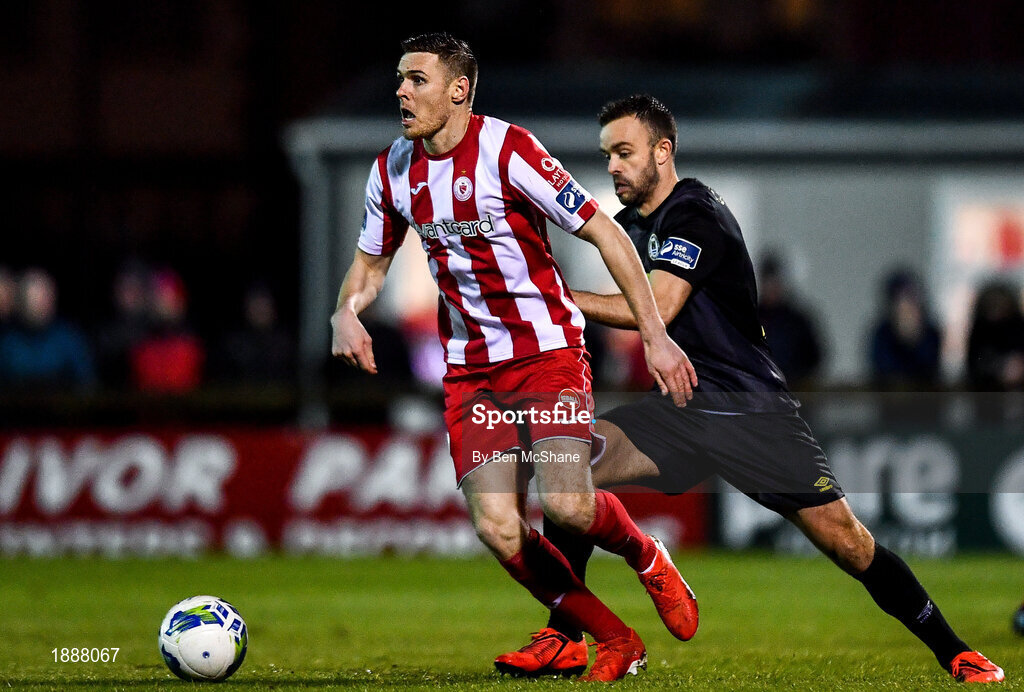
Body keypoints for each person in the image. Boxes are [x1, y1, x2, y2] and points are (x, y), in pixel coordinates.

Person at [495, 94, 1004, 684]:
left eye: (625, 152)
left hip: (749, 412)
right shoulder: (636, 224)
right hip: (681, 409)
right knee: (568, 467)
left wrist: (549, 297)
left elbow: (655, 309)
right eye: (608, 154)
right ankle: (566, 638)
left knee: (850, 545)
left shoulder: (695, 215)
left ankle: (955, 651)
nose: (612, 166)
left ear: (664, 151)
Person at [330, 34, 698, 681]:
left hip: (546, 352)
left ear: (458, 89)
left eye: (416, 79)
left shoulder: (509, 151)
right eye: (398, 79)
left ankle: (646, 557)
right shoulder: (392, 168)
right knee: (499, 528)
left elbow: (604, 230)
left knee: (568, 508)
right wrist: (346, 310)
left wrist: (655, 333)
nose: (400, 92)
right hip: (472, 373)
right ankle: (613, 638)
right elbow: (370, 260)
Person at [0, 268, 96, 392]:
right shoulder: (7, 342)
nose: (42, 302)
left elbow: (87, 383)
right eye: (35, 297)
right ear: (21, 299)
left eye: (46, 296)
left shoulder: (70, 338)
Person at [757, 252, 823, 388]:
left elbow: (815, 356)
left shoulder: (797, 321)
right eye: (768, 283)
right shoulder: (750, 319)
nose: (772, 288)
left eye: (775, 282)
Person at [868, 269, 942, 389]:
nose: (907, 306)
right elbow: (884, 368)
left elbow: (928, 366)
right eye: (902, 299)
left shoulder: (930, 332)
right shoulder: (882, 333)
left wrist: (915, 336)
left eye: (912, 298)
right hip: (890, 402)